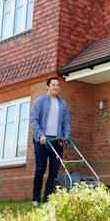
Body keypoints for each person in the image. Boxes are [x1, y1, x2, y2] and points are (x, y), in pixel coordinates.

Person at [29, 77, 71, 206]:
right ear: (47, 86)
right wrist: (41, 135)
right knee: (40, 169)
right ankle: (36, 198)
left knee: (54, 171)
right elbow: (34, 119)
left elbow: (66, 123)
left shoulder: (63, 104)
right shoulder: (39, 101)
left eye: (58, 85)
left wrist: (66, 136)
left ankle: (47, 198)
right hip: (42, 140)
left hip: (57, 140)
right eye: (53, 85)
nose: (56, 87)